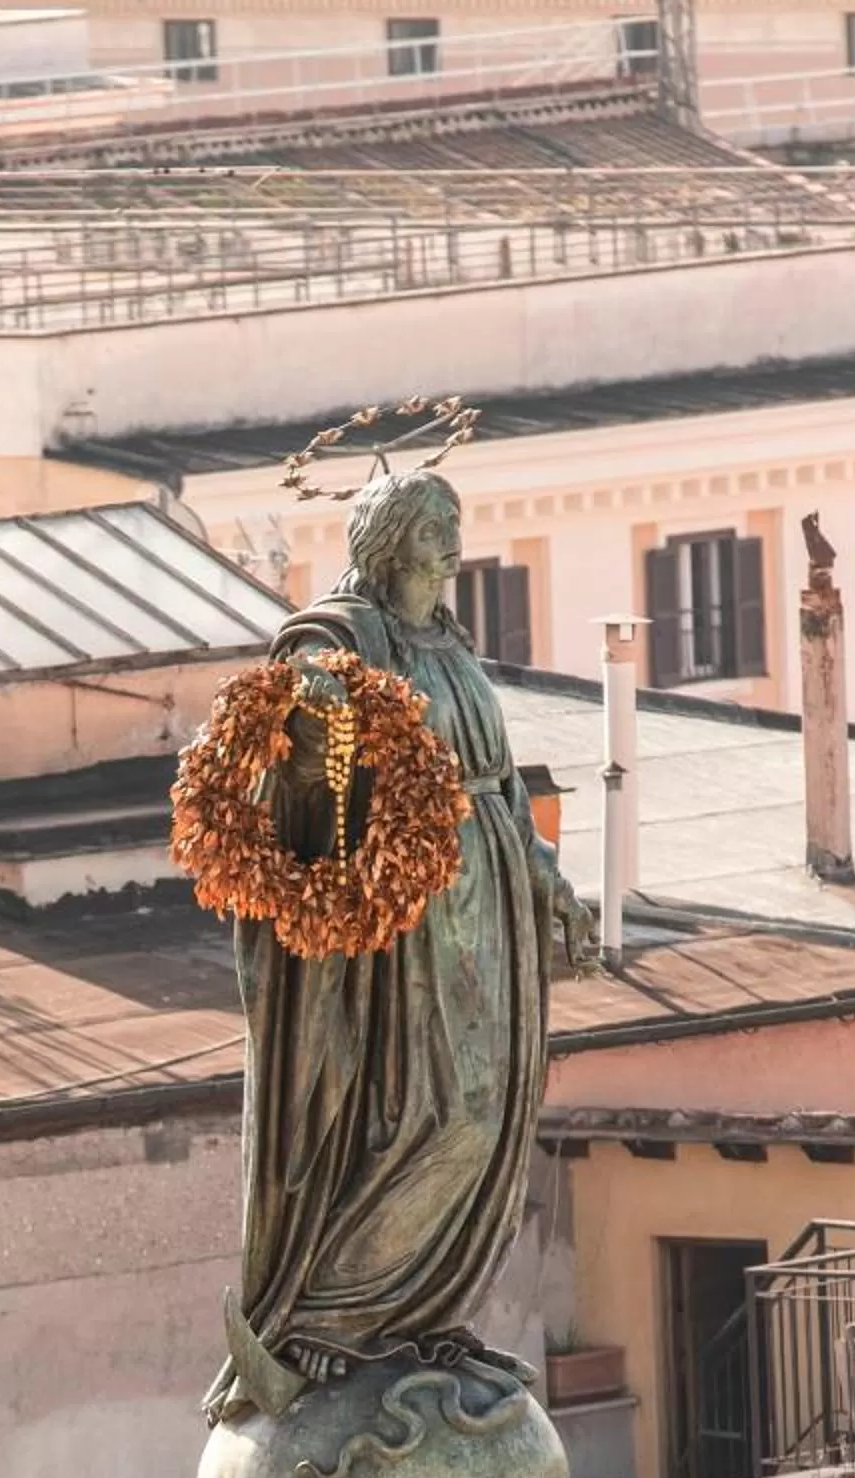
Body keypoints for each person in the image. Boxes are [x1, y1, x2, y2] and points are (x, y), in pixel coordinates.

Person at [218, 467, 596, 1419]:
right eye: (431, 530)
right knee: (432, 1113)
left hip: (490, 901)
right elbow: (304, 778)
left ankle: (418, 1312)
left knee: (491, 1114)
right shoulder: (339, 641)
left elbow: (501, 782)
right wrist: (321, 722)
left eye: (453, 526)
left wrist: (549, 881)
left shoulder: (449, 646)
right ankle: (331, 1315)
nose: (450, 546)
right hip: (407, 923)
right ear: (387, 546)